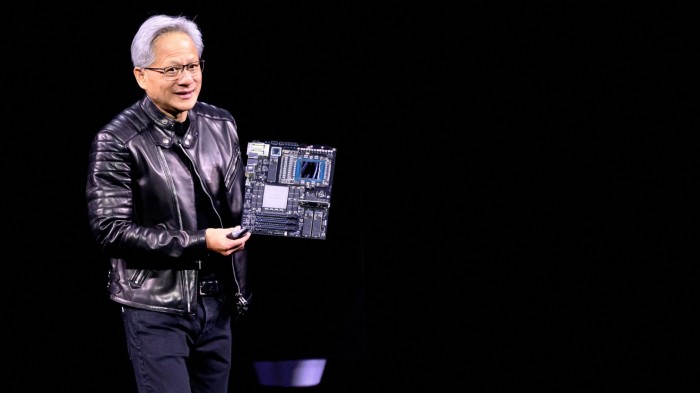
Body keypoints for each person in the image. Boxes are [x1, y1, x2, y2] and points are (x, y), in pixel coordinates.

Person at [85, 14, 252, 393]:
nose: (187, 79)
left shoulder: (221, 123)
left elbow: (239, 203)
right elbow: (111, 232)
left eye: (192, 65)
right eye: (172, 69)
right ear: (141, 75)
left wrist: (280, 211)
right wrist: (202, 240)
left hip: (220, 303)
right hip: (156, 307)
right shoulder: (117, 140)